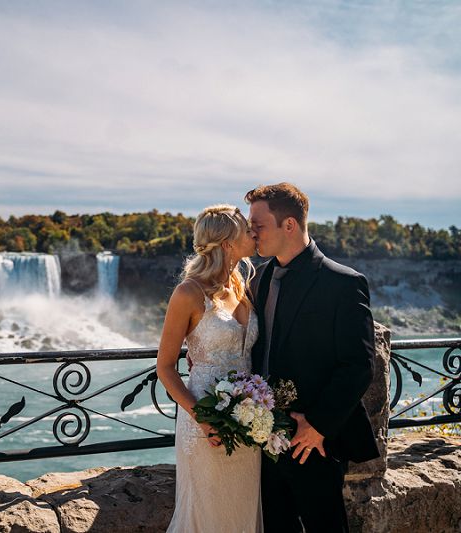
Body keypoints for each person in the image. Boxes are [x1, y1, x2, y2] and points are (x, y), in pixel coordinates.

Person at [245, 183, 379, 532]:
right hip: (264, 439)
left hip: (315, 442)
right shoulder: (258, 280)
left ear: (289, 225)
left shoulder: (343, 283)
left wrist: (316, 425)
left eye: (258, 225)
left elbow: (359, 365)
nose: (250, 233)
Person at [157, 204, 261, 533]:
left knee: (241, 511)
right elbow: (165, 368)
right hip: (206, 423)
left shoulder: (243, 288)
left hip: (249, 421)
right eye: (247, 229)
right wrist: (203, 418)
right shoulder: (188, 293)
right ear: (228, 243)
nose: (254, 233)